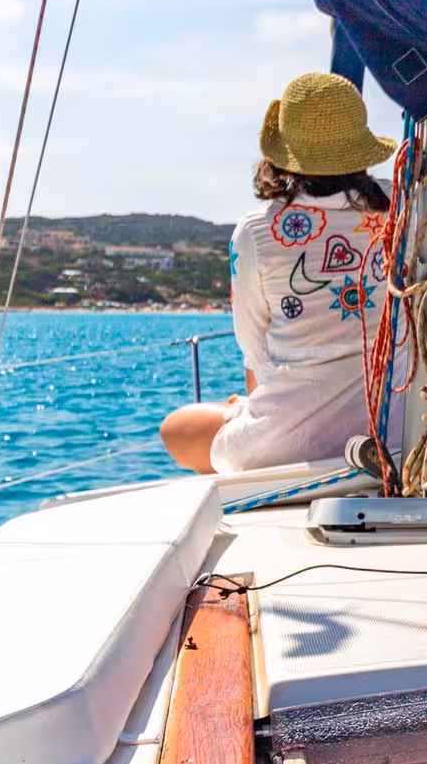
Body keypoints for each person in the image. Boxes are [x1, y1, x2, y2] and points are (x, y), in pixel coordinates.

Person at [159, 71, 402, 474]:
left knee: (177, 427)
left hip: (291, 447)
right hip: (395, 428)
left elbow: (254, 349)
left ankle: (242, 414)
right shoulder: (404, 210)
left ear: (285, 151)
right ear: (359, 145)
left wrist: (252, 407)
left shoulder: (256, 232)